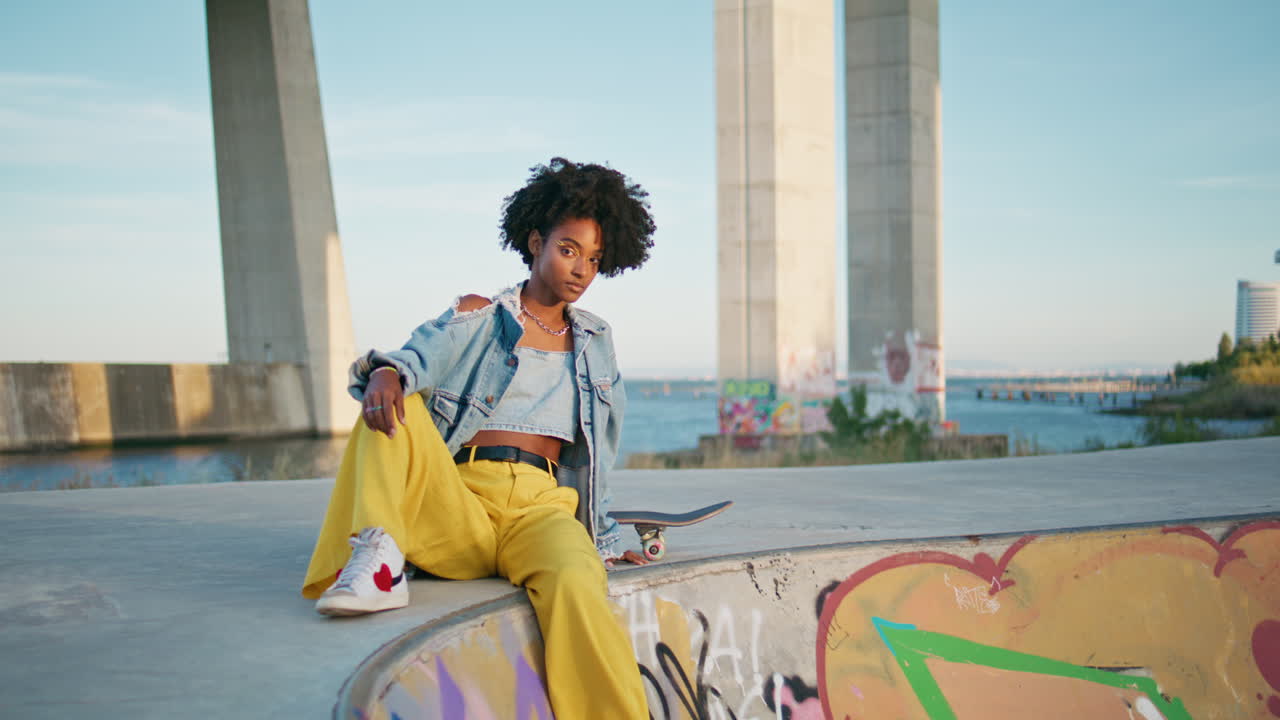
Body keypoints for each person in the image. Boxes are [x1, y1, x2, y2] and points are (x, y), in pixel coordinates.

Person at [300, 157, 655, 718]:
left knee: (575, 580)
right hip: (461, 501)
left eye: (594, 259)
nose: (581, 270)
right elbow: (416, 357)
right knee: (397, 397)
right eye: (568, 250)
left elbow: (599, 449)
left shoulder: (595, 340)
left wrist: (605, 538)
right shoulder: (481, 315)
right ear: (536, 242)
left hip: (541, 511)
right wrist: (387, 372)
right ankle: (378, 556)